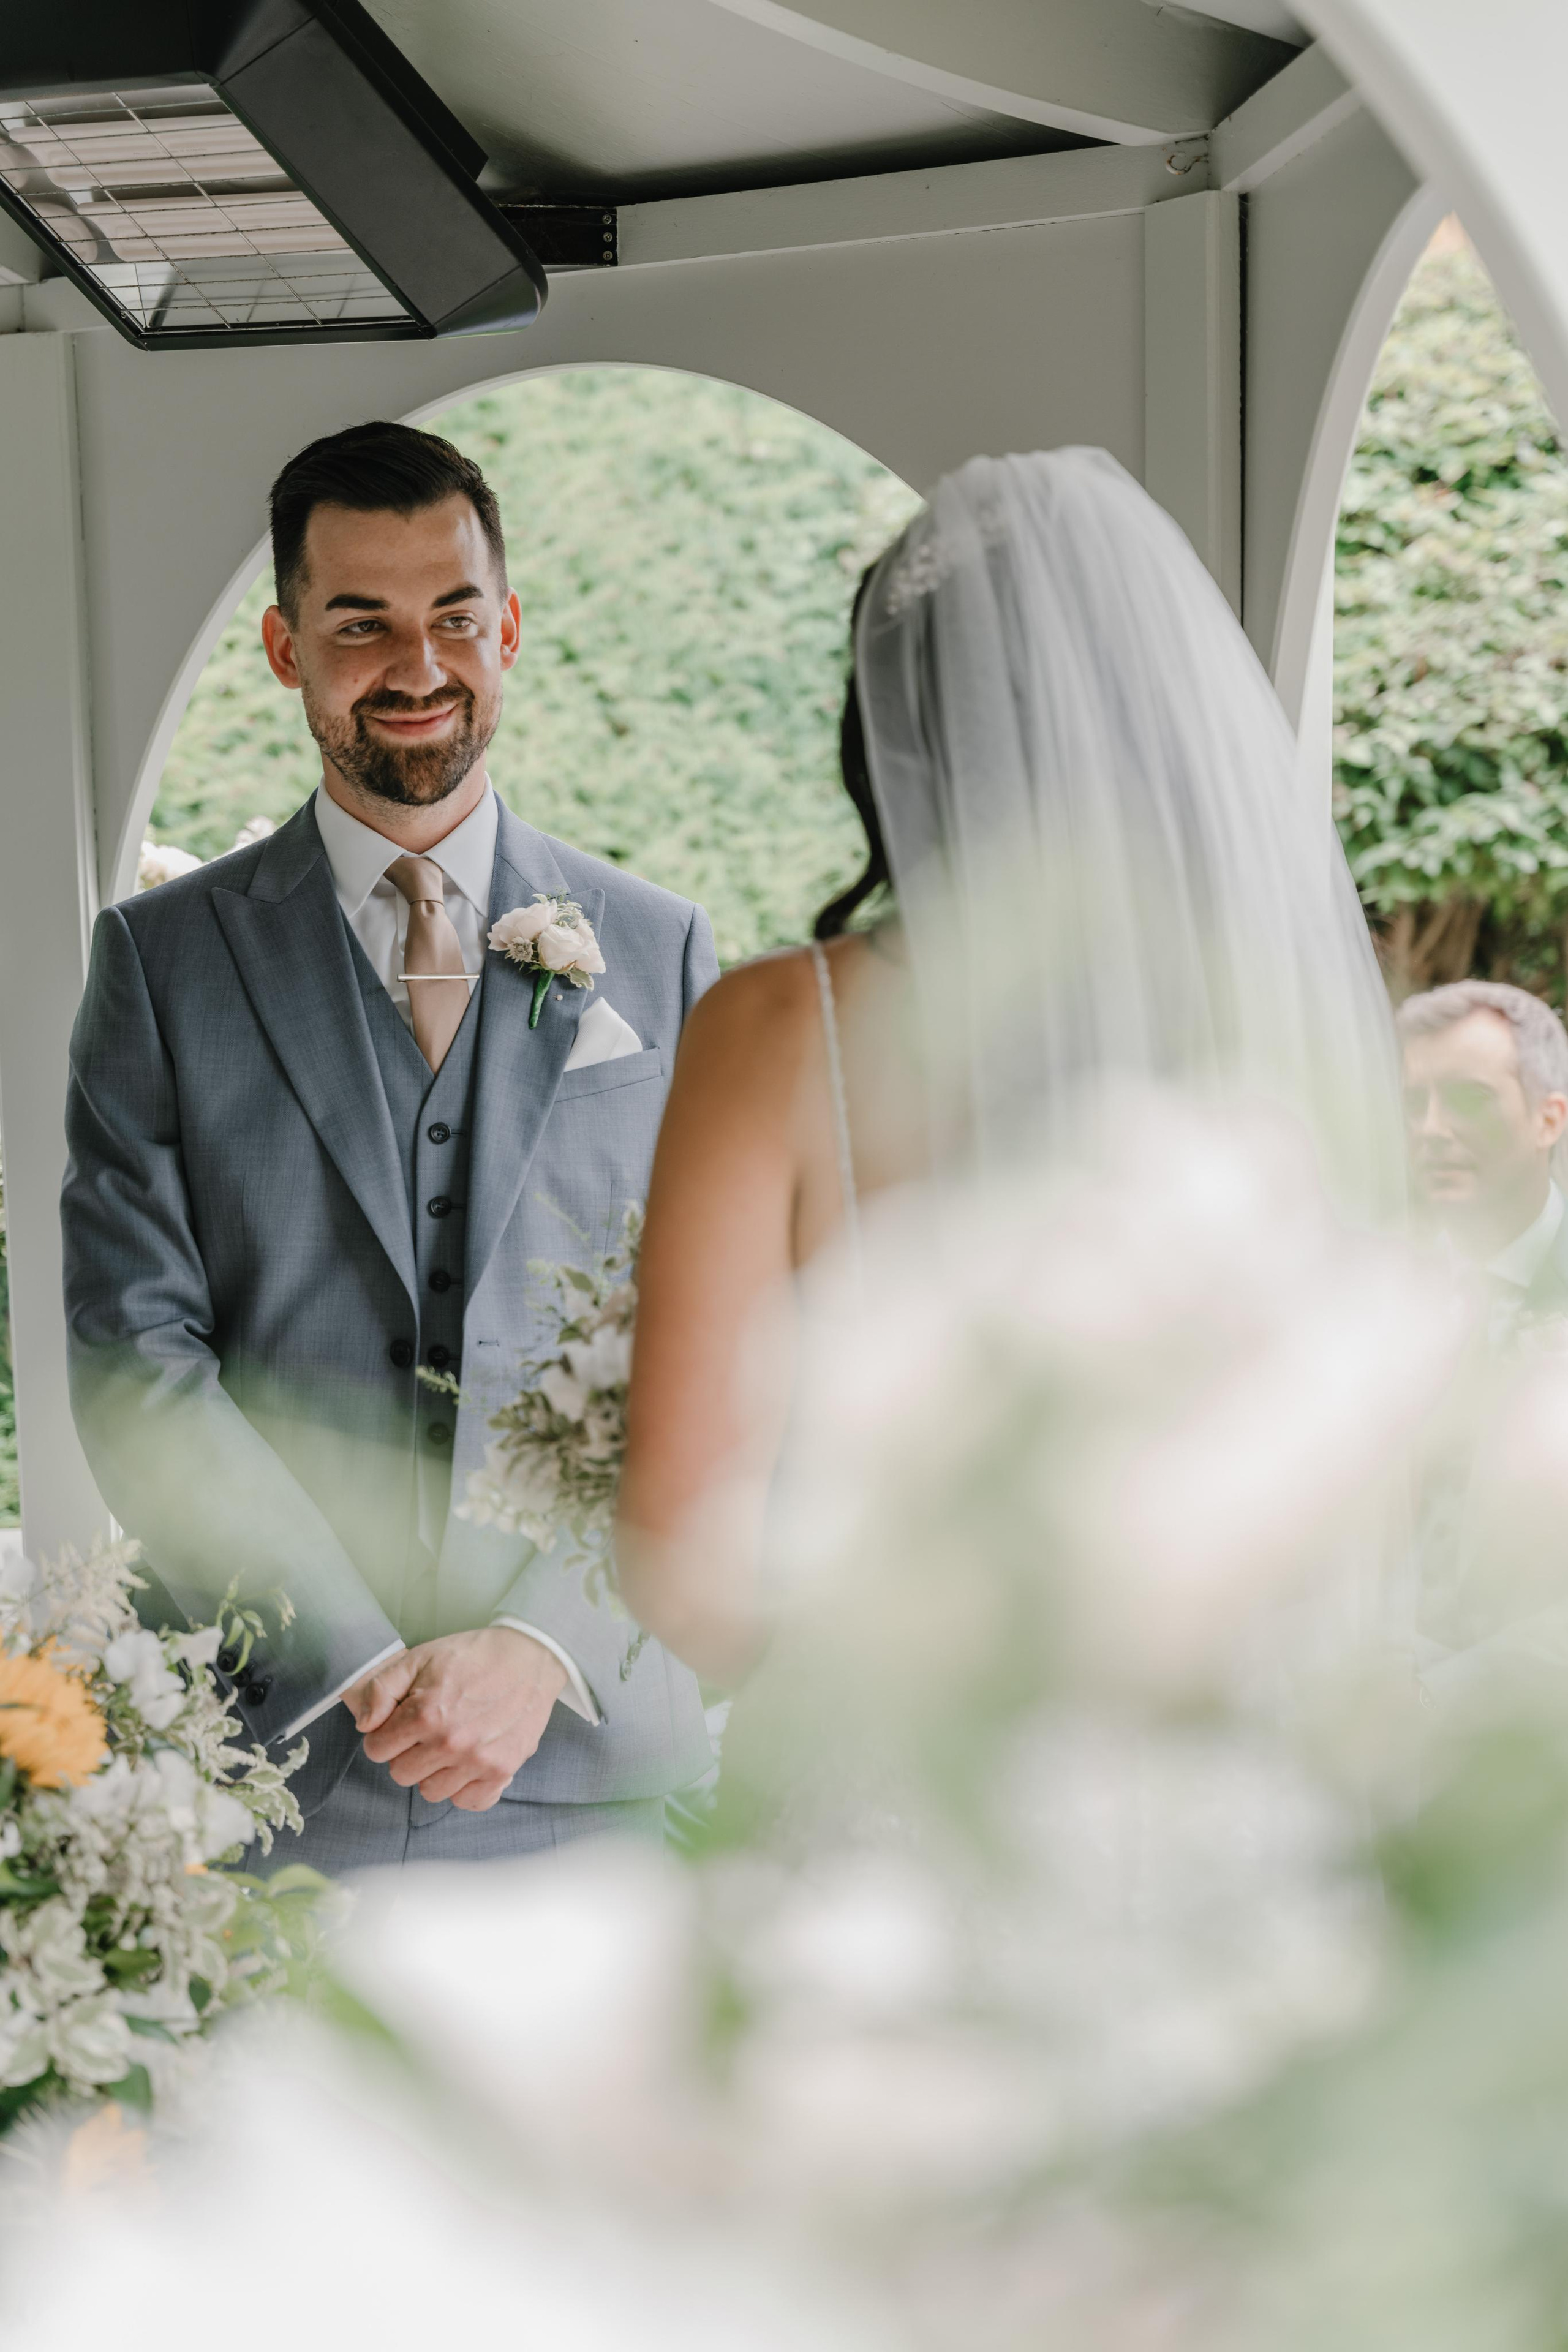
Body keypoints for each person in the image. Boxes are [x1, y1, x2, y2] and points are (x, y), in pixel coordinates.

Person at [615, 447, 1401, 1680]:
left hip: (896, 1779)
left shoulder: (780, 1032)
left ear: (893, 731)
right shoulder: (1276, 1025)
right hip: (1225, 1766)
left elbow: (678, 1545)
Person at [61, 420, 718, 1870]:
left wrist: (544, 1641)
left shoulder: (662, 950)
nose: (417, 665)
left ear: (510, 629)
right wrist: (344, 1651)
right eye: (360, 625)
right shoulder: (161, 965)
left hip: (585, 1755)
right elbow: (133, 1351)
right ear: (287, 648)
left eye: (454, 618)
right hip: (268, 1776)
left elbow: (722, 1347)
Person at [1398, 979, 1568, 1333]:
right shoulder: (1379, 1289)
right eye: (1415, 1103)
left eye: (1469, 1100)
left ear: (1548, 1122)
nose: (1430, 1129)